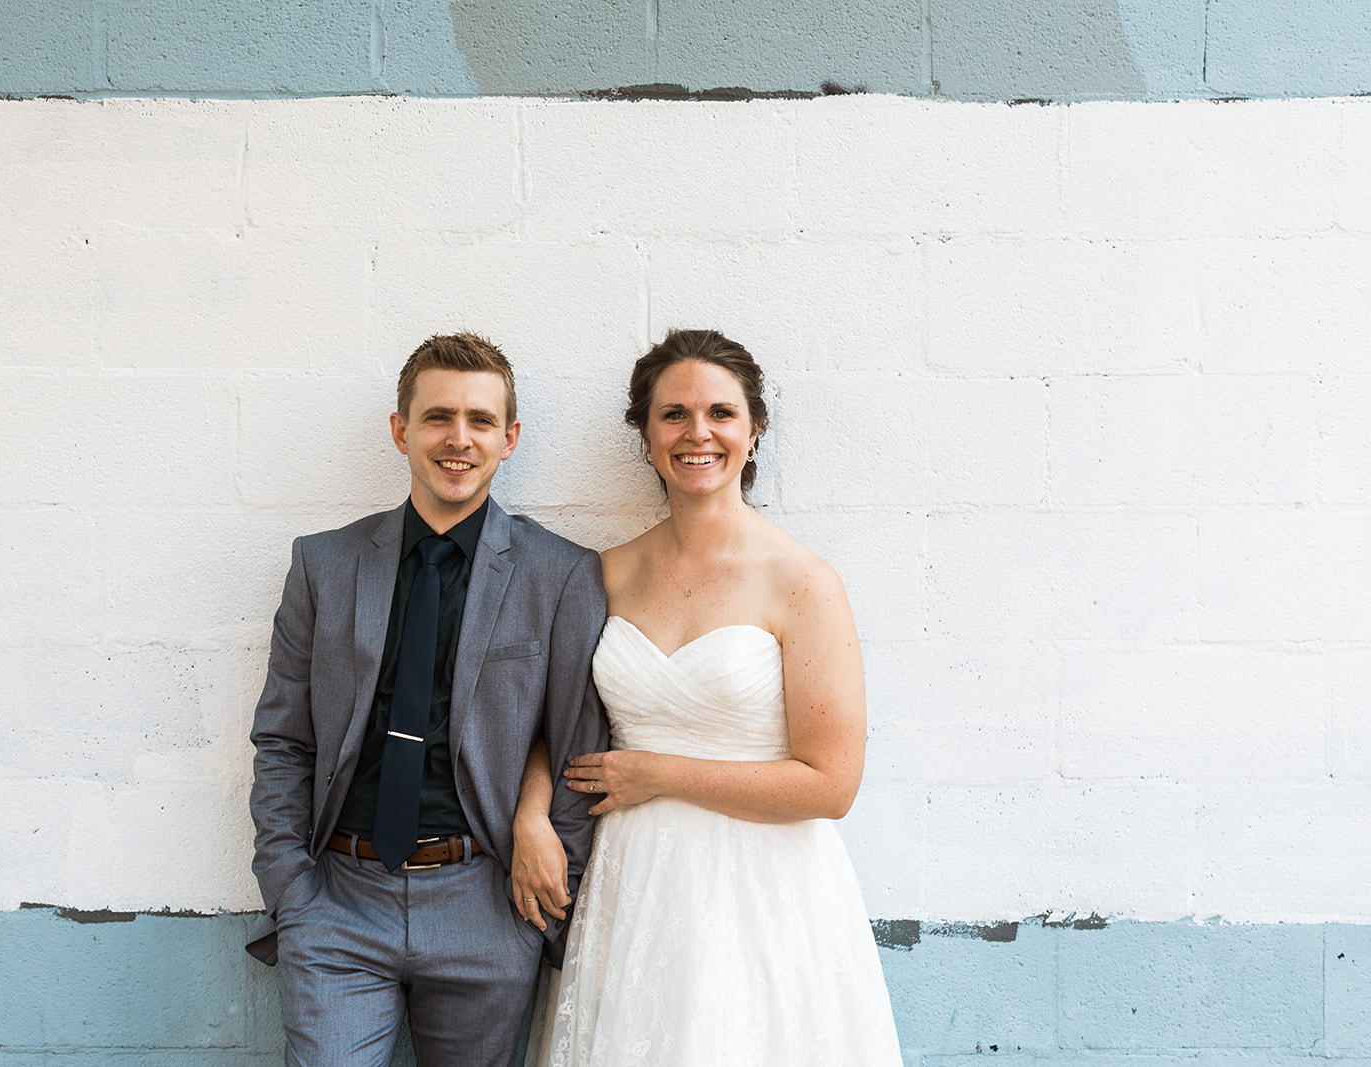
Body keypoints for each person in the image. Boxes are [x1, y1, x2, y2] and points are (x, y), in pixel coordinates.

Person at [511, 329, 903, 1065]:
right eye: (674, 414)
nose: (699, 433)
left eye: (721, 412)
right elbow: (551, 722)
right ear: (646, 434)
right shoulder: (603, 574)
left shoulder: (803, 582)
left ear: (753, 431)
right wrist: (532, 810)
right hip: (632, 881)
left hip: (766, 891)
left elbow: (832, 783)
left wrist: (658, 773)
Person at [247, 332, 609, 1066]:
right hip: (339, 901)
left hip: (486, 902)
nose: (458, 438)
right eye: (438, 416)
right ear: (400, 429)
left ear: (509, 439)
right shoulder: (324, 564)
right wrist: (293, 891)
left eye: (481, 420)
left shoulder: (562, 574)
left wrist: (545, 898)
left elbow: (579, 744)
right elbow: (285, 739)